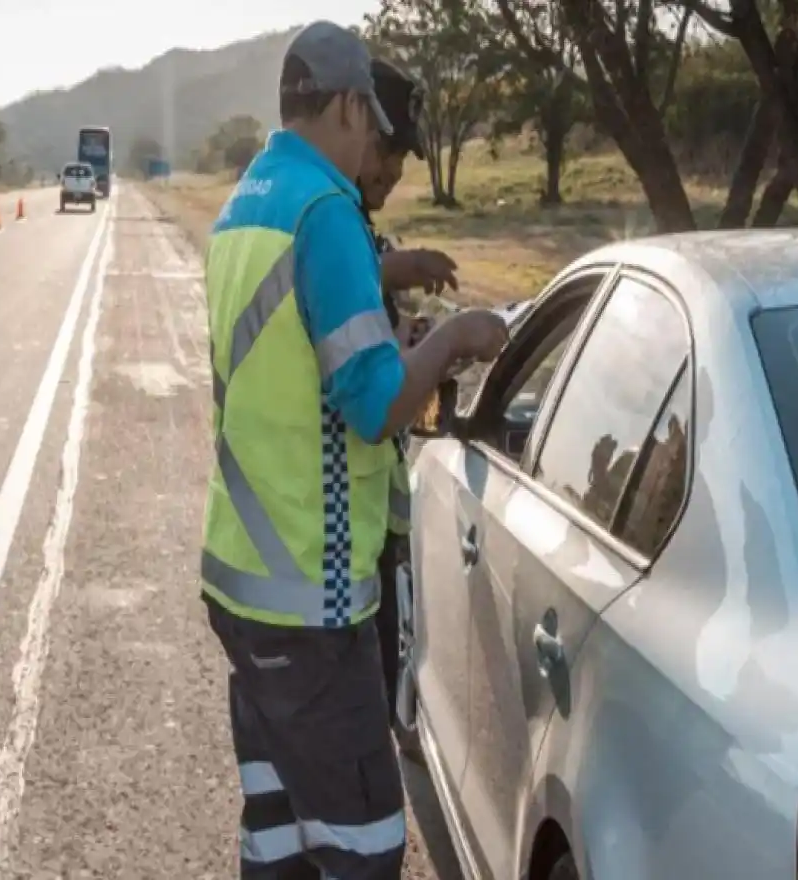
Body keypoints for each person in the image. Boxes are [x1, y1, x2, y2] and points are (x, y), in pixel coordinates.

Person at [201, 20, 509, 880]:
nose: (375, 142)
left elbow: (291, 366)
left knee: (278, 835)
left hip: (242, 580)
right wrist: (453, 344)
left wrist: (389, 299)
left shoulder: (245, 204)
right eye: (371, 123)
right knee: (365, 845)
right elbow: (375, 408)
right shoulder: (327, 210)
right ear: (342, 106)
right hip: (313, 600)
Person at [355, 59, 460, 749]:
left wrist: (402, 330)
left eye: (403, 162)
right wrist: (448, 342)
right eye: (388, 153)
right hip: (344, 554)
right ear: (354, 122)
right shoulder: (334, 226)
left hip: (362, 542)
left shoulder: (351, 226)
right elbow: (375, 401)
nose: (395, 172)